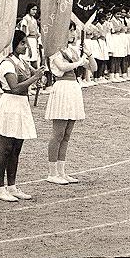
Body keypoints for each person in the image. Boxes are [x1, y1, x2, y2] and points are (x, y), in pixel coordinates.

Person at [0, 30, 45, 202]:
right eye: (22, 43)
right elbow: (15, 87)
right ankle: (0, 188)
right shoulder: (7, 64)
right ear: (14, 44)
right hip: (10, 104)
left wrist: (39, 77)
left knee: (16, 149)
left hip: (22, 104)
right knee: (5, 149)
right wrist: (34, 77)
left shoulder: (22, 61)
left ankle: (12, 186)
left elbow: (32, 76)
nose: (25, 46)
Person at [44, 23, 89, 185]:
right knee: (58, 134)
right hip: (62, 88)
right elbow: (62, 67)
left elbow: (93, 67)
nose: (73, 33)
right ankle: (52, 172)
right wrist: (80, 62)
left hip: (73, 89)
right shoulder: (55, 52)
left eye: (73, 30)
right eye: (70, 30)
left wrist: (88, 55)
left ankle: (62, 172)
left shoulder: (74, 50)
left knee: (67, 134)